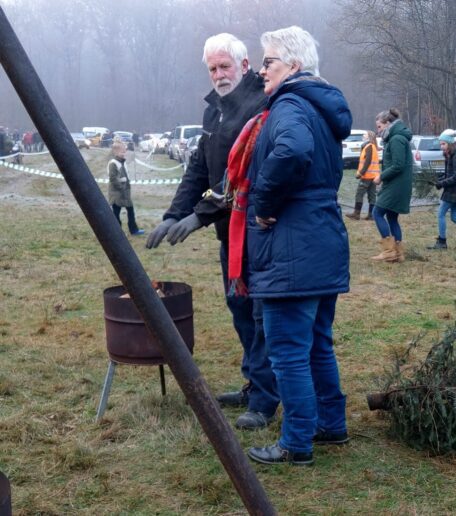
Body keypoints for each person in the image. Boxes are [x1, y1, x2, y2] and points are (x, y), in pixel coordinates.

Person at [144, 33, 280, 430]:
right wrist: (174, 214)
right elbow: (201, 171)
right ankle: (254, 383)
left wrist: (199, 216)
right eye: (212, 69)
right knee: (239, 309)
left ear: (244, 66)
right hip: (229, 235)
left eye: (224, 67)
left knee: (259, 315)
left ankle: (267, 398)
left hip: (259, 231)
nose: (218, 75)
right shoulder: (214, 111)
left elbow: (243, 177)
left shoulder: (261, 104)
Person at [242, 25, 351, 467]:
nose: (261, 69)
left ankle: (296, 442)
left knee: (288, 351)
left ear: (294, 66)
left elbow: (290, 152)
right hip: (322, 240)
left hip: (293, 248)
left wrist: (264, 203)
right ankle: (331, 424)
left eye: (268, 61)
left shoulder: (290, 104)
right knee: (317, 344)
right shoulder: (318, 106)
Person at [370, 108, 413, 263]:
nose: (378, 130)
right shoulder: (396, 137)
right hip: (397, 184)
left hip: (396, 185)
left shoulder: (396, 139)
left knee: (377, 212)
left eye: (380, 127)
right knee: (392, 217)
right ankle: (398, 253)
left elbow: (398, 165)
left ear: (388, 123)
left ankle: (389, 251)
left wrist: (381, 176)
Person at [108, 141, 144, 236]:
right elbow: (113, 178)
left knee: (130, 210)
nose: (124, 154)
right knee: (116, 213)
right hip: (117, 193)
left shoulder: (123, 163)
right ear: (115, 152)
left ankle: (134, 230)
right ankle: (117, 232)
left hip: (125, 193)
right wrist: (121, 187)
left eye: (124, 152)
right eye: (122, 152)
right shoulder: (113, 163)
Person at [345, 130, 379, 220]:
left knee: (359, 194)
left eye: (364, 135)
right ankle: (371, 215)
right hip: (374, 176)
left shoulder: (368, 146)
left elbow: (367, 162)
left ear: (369, 137)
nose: (363, 136)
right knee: (372, 195)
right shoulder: (372, 146)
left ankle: (356, 214)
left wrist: (360, 173)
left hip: (367, 176)